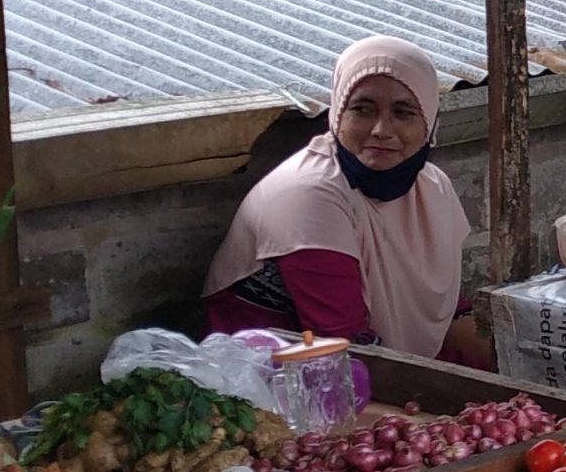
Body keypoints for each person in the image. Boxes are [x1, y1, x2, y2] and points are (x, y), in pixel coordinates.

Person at [205, 36, 493, 369]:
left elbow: (444, 311)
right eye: (362, 110)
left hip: (366, 361)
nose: (382, 130)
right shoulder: (309, 195)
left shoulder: (431, 188)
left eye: (404, 113)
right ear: (338, 114)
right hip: (271, 377)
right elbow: (345, 344)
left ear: (429, 123)